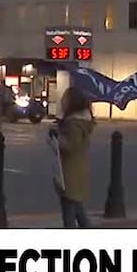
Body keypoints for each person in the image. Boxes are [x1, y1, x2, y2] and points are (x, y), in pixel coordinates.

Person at [53, 86, 96, 228]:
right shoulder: (81, 122)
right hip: (77, 171)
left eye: (65, 99)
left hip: (69, 174)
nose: (62, 102)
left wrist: (57, 140)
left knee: (69, 211)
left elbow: (71, 146)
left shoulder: (73, 124)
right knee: (77, 207)